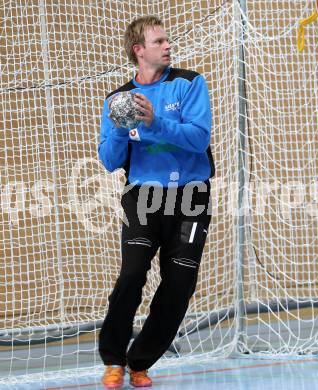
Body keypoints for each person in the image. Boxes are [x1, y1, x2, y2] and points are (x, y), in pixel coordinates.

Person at [98, 15, 215, 388]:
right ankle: (113, 359)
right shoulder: (118, 99)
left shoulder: (189, 83)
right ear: (139, 50)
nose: (168, 46)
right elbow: (110, 160)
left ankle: (141, 360)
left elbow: (198, 139)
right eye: (159, 41)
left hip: (191, 196)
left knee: (180, 282)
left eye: (167, 40)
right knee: (132, 274)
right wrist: (120, 128)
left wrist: (154, 123)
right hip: (144, 196)